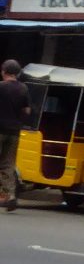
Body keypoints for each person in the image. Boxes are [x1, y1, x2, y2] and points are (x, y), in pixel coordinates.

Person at [0, 59, 29, 212]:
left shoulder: (1, 87)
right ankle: (10, 196)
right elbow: (27, 111)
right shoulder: (23, 88)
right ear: (17, 72)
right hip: (14, 132)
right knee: (8, 164)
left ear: (4, 71)